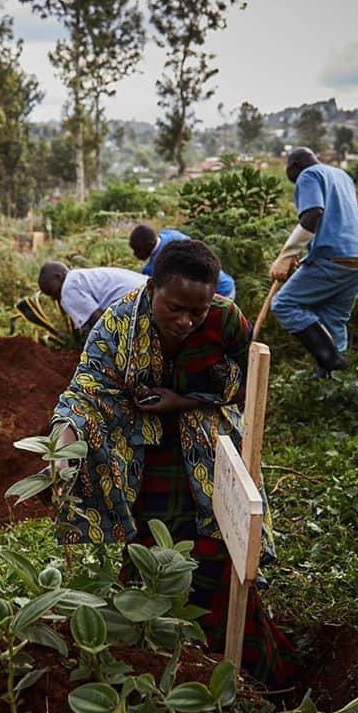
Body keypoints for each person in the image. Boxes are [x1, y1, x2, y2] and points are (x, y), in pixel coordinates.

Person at [50, 240, 297, 687]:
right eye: (175, 308)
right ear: (152, 289)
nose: (186, 321)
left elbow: (247, 387)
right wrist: (62, 446)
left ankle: (249, 676)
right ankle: (153, 670)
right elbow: (86, 390)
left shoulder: (226, 321)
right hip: (143, 462)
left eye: (197, 312)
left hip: (207, 461)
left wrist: (180, 402)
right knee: (147, 558)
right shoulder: (118, 324)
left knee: (218, 562)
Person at [269, 147, 358, 375]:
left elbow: (313, 214)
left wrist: (284, 258)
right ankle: (334, 383)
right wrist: (306, 257)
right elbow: (335, 223)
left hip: (333, 260)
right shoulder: (342, 176)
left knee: (284, 304)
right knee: (333, 318)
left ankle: (332, 363)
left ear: (294, 166)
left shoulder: (308, 175)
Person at [37, 262, 148, 335]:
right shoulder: (82, 277)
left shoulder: (67, 289)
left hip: (138, 302)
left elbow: (99, 321)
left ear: (58, 277)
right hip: (149, 289)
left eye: (51, 291)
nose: (54, 298)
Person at [130, 224, 237, 300]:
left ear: (150, 243)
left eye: (138, 250)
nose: (135, 255)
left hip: (220, 293)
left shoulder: (154, 267)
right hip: (226, 283)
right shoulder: (169, 234)